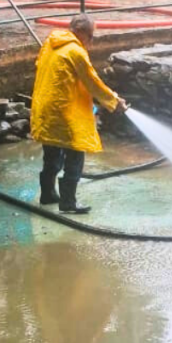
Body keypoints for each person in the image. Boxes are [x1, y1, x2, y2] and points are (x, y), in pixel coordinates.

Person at [30, 14, 128, 214]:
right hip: (64, 112)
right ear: (83, 33)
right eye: (91, 36)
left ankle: (47, 194)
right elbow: (93, 83)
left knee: (52, 154)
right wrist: (114, 102)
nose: (91, 41)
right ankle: (68, 203)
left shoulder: (51, 43)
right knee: (75, 155)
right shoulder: (76, 52)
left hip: (45, 108)